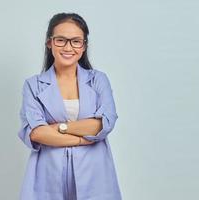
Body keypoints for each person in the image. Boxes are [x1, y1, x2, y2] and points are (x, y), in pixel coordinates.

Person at [18, 12, 122, 200]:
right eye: (61, 40)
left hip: (94, 173)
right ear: (49, 43)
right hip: (48, 175)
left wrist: (59, 128)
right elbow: (36, 133)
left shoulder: (98, 80)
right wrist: (82, 139)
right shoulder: (33, 85)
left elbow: (102, 124)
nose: (68, 47)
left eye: (76, 41)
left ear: (84, 46)